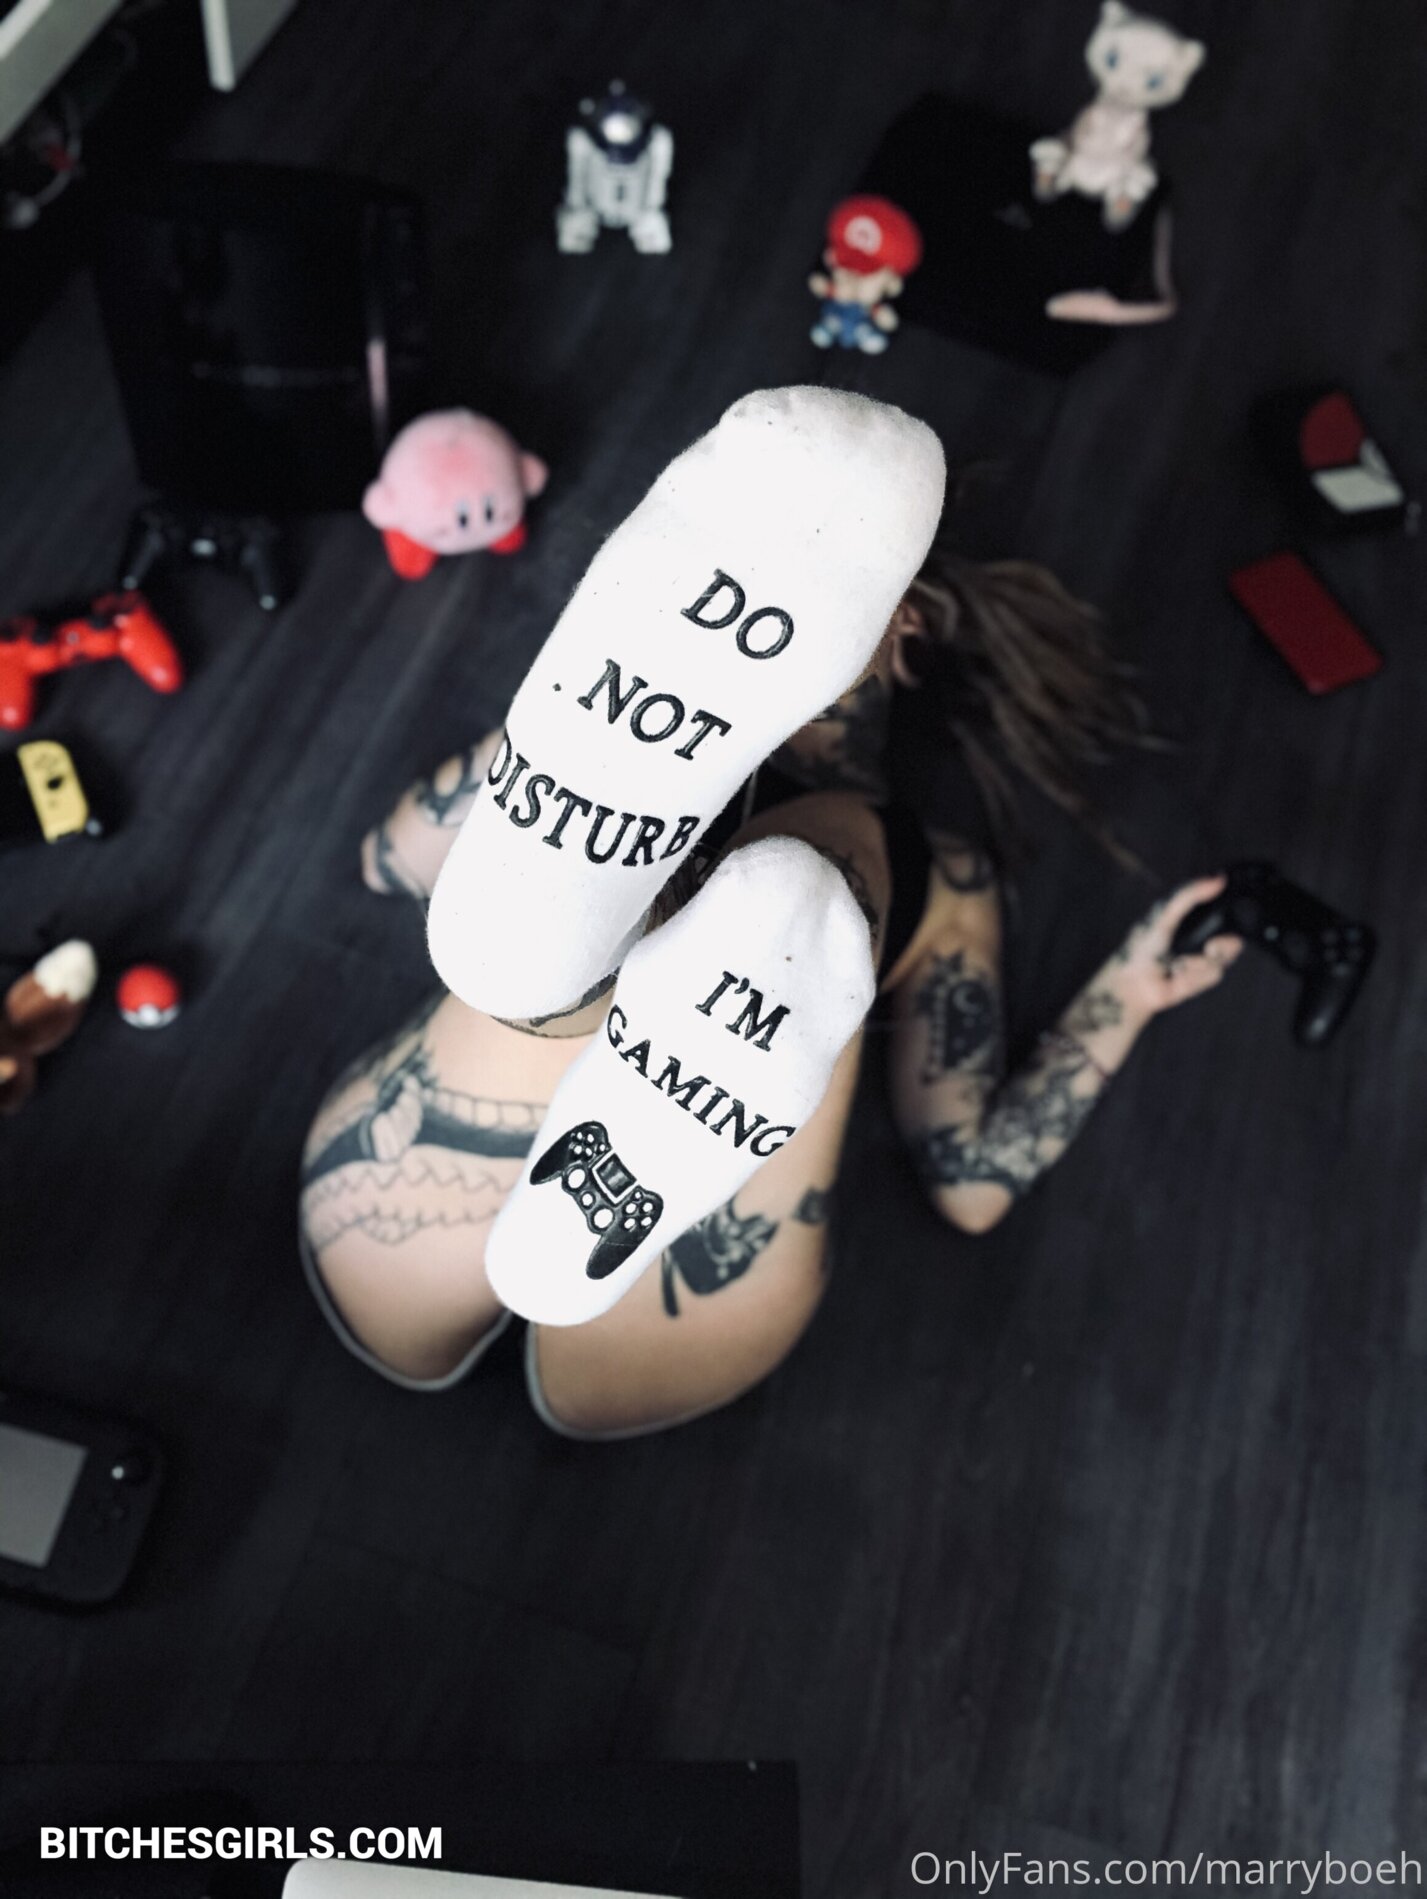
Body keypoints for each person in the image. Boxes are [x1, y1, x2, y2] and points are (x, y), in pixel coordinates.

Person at [299, 543, 1241, 1436]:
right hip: (666, 1326)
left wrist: (561, 731)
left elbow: (394, 859)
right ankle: (771, 934)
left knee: (650, 804)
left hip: (391, 1221)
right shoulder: (949, 880)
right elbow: (971, 1181)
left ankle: (689, 950)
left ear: (908, 625)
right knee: (827, 863)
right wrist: (1124, 999)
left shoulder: (616, 723)